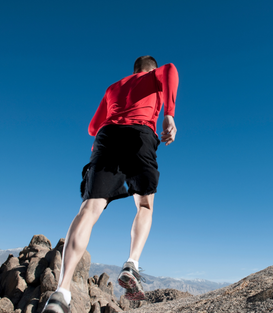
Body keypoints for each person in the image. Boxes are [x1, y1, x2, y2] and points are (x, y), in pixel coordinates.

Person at [42, 56, 179, 313]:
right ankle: (131, 263)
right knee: (145, 205)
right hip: (139, 135)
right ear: (151, 68)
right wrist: (169, 114)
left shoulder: (113, 88)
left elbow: (92, 127)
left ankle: (61, 293)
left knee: (88, 210)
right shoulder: (154, 77)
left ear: (133, 69)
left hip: (108, 137)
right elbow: (171, 70)